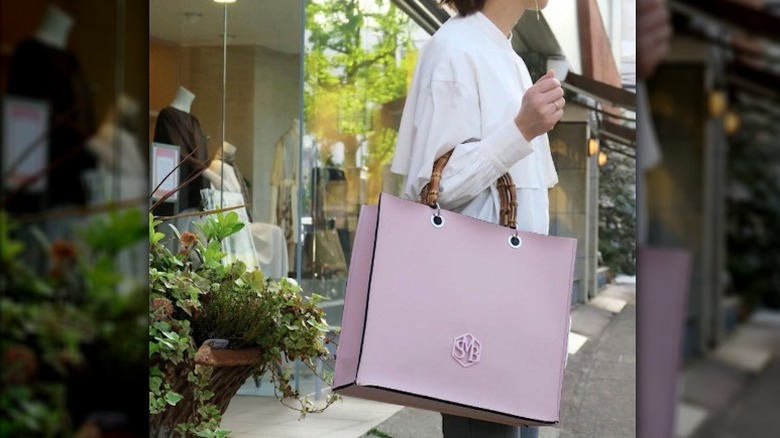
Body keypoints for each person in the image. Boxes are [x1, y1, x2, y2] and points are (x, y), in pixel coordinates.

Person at [390, 0, 564, 436]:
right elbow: (430, 187)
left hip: (511, 311)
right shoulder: (454, 50)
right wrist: (520, 128)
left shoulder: (506, 56)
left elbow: (527, 197)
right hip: (476, 311)